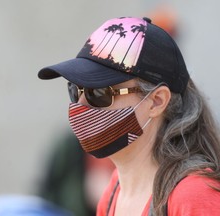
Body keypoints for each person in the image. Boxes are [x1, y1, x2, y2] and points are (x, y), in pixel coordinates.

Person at [37, 16, 220, 216]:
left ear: (156, 101)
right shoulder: (115, 189)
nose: (79, 105)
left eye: (99, 93)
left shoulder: (193, 196)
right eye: (75, 89)